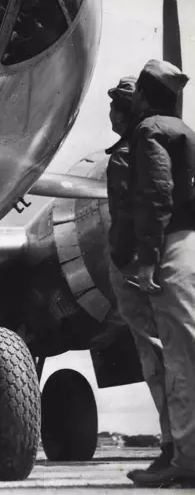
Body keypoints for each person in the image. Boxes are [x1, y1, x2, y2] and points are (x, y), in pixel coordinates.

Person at [125, 59, 195, 487]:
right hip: (190, 242)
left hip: (168, 246)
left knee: (178, 357)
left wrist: (148, 257)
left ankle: (185, 460)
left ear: (147, 96)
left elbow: (156, 194)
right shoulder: (186, 133)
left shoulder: (148, 131)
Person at [105, 75, 174, 479]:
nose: (110, 112)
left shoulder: (129, 155)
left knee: (156, 356)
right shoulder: (160, 149)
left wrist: (128, 259)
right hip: (154, 261)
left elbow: (140, 212)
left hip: (135, 267)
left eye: (115, 104)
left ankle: (172, 447)